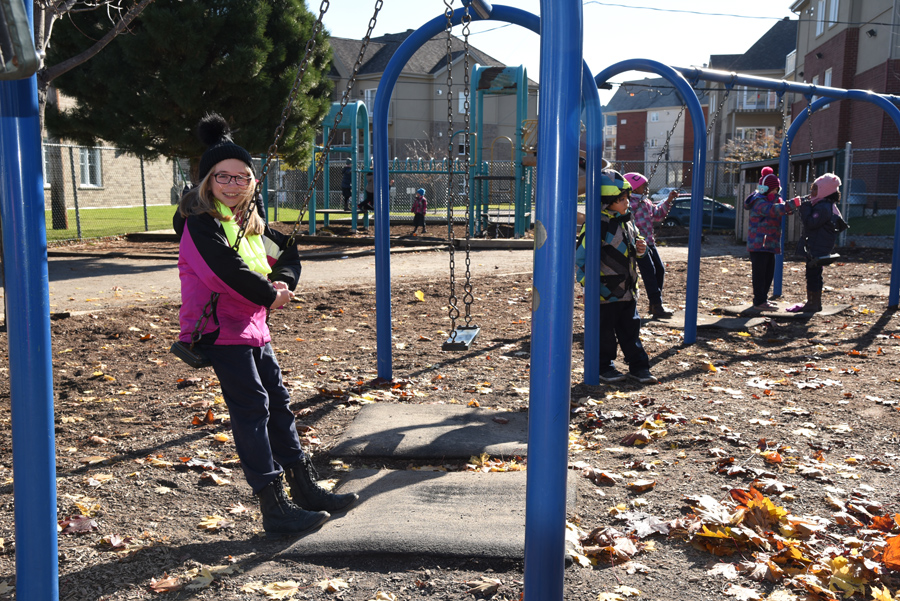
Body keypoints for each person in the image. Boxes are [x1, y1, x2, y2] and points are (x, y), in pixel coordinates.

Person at [174, 113, 358, 536]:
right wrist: (269, 293)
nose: (234, 184)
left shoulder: (252, 223)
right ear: (207, 182)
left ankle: (304, 486)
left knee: (279, 402)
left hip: (254, 327)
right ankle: (274, 506)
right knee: (252, 408)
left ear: (253, 182)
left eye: (242, 177)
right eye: (224, 177)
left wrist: (283, 282)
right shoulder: (200, 224)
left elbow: (289, 255)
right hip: (219, 330)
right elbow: (223, 271)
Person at [575, 169, 657, 385]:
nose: (626, 202)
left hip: (628, 290)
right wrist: (587, 283)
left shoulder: (627, 221)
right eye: (620, 199)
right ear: (606, 202)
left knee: (631, 331)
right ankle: (604, 367)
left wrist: (640, 249)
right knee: (604, 334)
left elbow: (637, 246)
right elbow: (580, 258)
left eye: (627, 198)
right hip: (604, 292)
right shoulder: (596, 226)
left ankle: (639, 367)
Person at [787, 173, 847, 313]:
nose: (811, 192)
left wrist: (805, 208)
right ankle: (814, 302)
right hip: (818, 245)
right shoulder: (825, 205)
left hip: (816, 247)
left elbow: (811, 223)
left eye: (815, 189)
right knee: (814, 274)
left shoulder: (823, 207)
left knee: (812, 275)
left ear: (824, 191)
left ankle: (813, 303)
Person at [623, 173, 679, 318]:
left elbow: (658, 214)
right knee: (649, 272)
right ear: (634, 188)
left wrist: (669, 200)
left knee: (659, 269)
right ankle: (656, 305)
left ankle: (654, 304)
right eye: (643, 186)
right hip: (638, 244)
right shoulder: (629, 202)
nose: (646, 188)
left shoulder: (645, 201)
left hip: (649, 242)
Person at [743, 167, 795, 310]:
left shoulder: (768, 199)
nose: (776, 193)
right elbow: (773, 210)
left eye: (777, 190)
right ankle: (759, 301)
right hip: (759, 244)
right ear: (766, 189)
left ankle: (763, 299)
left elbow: (779, 208)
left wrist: (788, 208)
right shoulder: (759, 201)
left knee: (768, 273)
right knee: (760, 274)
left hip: (769, 243)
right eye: (774, 190)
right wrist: (790, 205)